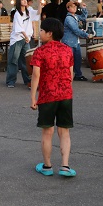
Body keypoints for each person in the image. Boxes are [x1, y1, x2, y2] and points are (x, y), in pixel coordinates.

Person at [30, 18, 76, 177]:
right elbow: (70, 75)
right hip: (65, 95)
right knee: (64, 131)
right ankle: (65, 166)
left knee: (47, 132)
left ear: (49, 34)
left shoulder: (40, 51)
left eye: (41, 31)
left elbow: (36, 75)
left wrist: (33, 98)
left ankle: (47, 166)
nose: (40, 33)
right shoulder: (68, 50)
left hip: (47, 95)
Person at [6, 0, 32, 88]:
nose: (24, 0)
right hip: (17, 39)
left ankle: (27, 80)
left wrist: (40, 2)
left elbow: (38, 13)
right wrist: (26, 36)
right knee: (14, 60)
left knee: (26, 60)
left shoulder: (29, 12)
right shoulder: (17, 13)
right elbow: (19, 27)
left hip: (26, 38)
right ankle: (11, 81)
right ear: (18, 2)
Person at [62, 1, 90, 81]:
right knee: (69, 60)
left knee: (77, 59)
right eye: (72, 6)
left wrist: (83, 8)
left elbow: (84, 17)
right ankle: (67, 75)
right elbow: (75, 30)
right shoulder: (68, 18)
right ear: (68, 8)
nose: (74, 8)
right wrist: (86, 35)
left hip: (75, 41)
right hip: (69, 42)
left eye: (75, 7)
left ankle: (78, 75)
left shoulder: (75, 16)